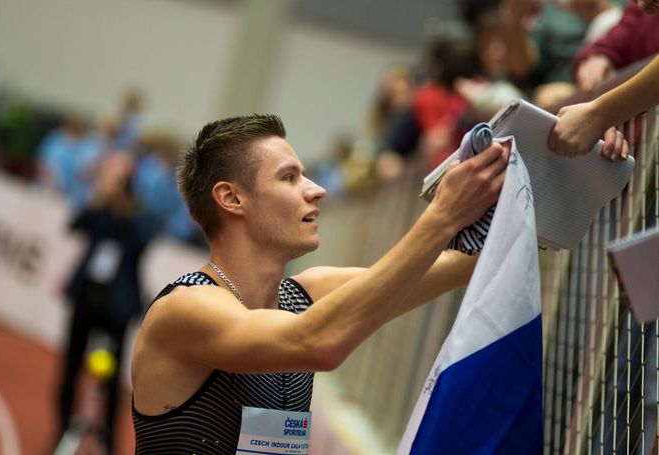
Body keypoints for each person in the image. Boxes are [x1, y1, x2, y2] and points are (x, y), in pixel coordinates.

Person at [130, 114, 509, 453]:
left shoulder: (307, 294)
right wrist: (440, 218)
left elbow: (462, 265)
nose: (316, 190)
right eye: (289, 177)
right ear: (231, 198)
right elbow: (316, 343)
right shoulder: (186, 308)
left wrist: (519, 170)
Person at [58, 153, 152, 453]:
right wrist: (100, 196)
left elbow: (140, 241)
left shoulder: (138, 222)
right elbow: (75, 224)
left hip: (116, 308)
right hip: (86, 298)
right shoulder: (99, 215)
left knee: (110, 383)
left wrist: (123, 210)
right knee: (70, 369)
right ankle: (62, 430)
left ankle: (108, 443)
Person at [548, 0, 659, 159]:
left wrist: (600, 115)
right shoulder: (637, 11)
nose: (642, 5)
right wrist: (597, 56)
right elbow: (613, 41)